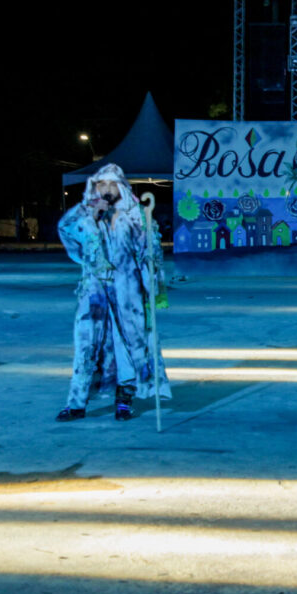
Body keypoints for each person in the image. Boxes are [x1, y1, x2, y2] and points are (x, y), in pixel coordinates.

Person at [57, 163, 170, 422]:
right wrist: (90, 218)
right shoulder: (85, 213)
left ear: (120, 186)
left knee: (128, 344)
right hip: (94, 290)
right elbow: (66, 229)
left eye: (111, 184)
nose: (106, 189)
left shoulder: (136, 215)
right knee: (86, 343)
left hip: (126, 290)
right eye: (101, 184)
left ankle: (124, 400)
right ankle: (76, 403)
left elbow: (149, 254)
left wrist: (152, 283)